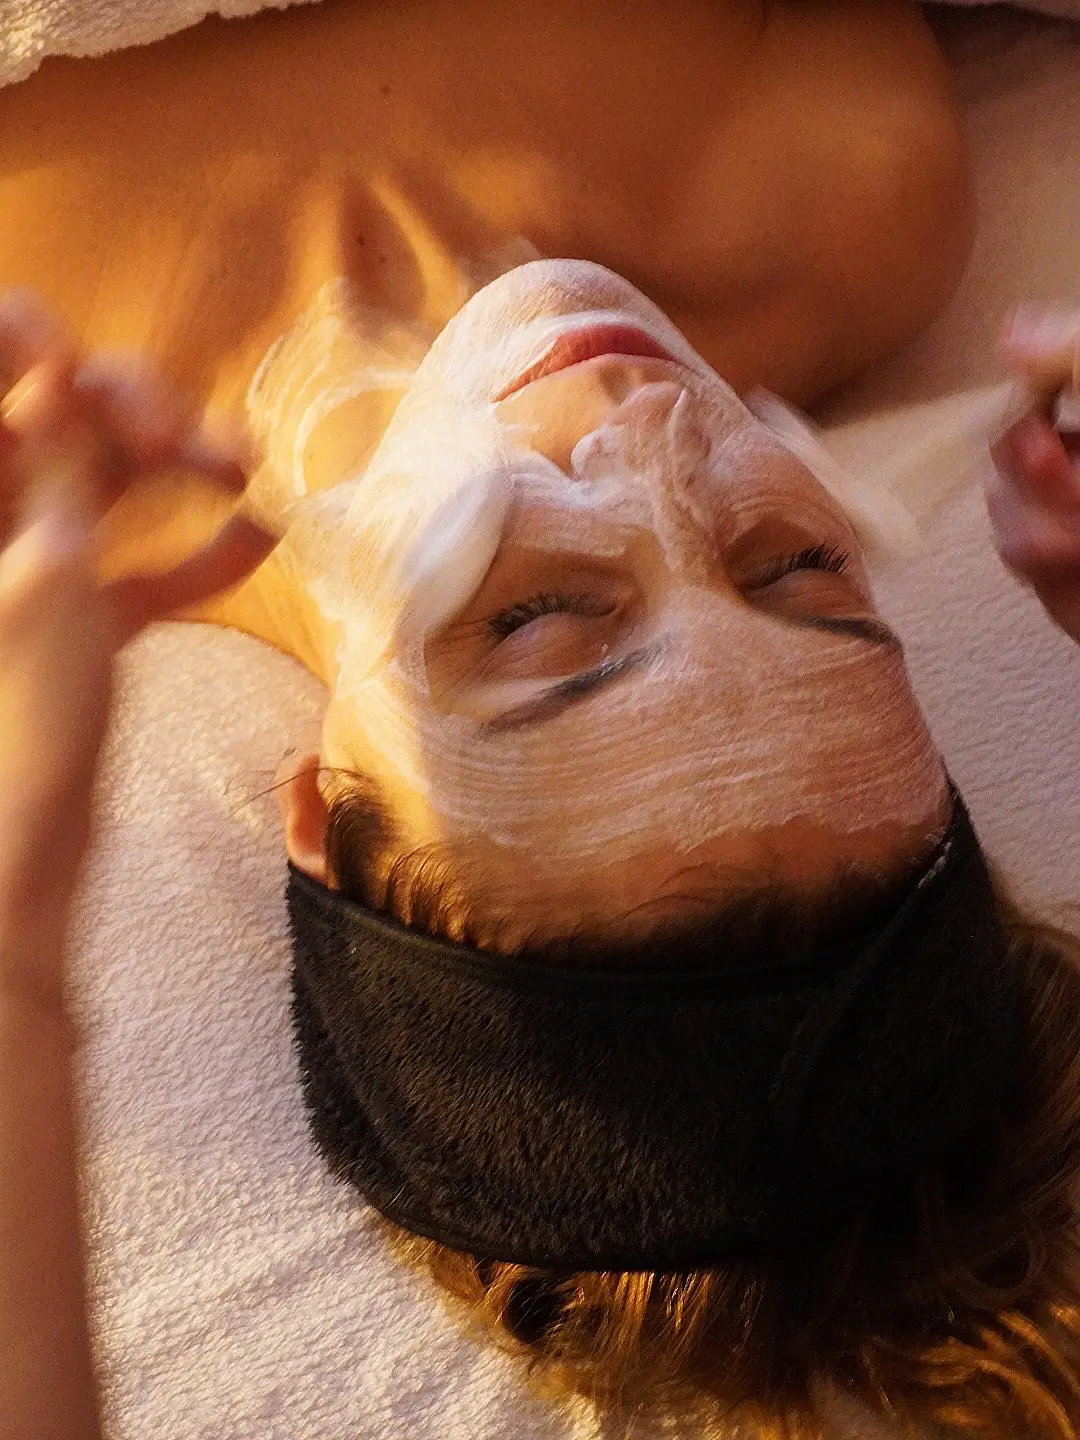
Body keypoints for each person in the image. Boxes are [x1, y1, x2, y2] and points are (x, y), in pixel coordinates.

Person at [3, 0, 1080, 1435]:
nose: (652, 436)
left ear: (321, 813)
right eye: (796, 570)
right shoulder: (838, 179)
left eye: (536, 622)